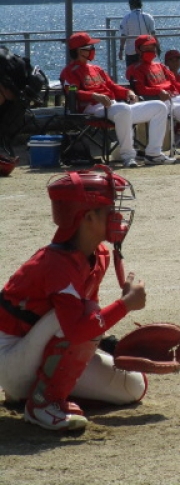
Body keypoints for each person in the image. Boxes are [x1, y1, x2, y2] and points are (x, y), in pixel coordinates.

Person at [0, 165, 148, 431]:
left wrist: (107, 343)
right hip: (11, 357)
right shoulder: (56, 263)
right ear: (88, 218)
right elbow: (78, 327)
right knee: (85, 313)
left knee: (133, 386)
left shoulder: (98, 253)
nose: (117, 216)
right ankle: (42, 403)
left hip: (36, 352)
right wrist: (125, 305)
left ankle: (33, 392)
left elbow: (84, 323)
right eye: (109, 210)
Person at [60, 32, 175, 168]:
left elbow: (112, 86)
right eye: (90, 47)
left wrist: (128, 92)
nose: (93, 50)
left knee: (159, 107)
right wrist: (94, 95)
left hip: (113, 107)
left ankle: (153, 154)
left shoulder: (97, 69)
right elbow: (72, 92)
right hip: (91, 108)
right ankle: (128, 156)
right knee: (123, 109)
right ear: (80, 51)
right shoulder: (70, 71)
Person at [118, 0, 156, 67]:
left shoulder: (126, 18)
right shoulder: (149, 17)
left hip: (131, 51)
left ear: (131, 5)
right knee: (147, 70)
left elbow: (123, 35)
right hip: (146, 50)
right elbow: (153, 33)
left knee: (132, 71)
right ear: (141, 5)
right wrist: (156, 47)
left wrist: (121, 50)